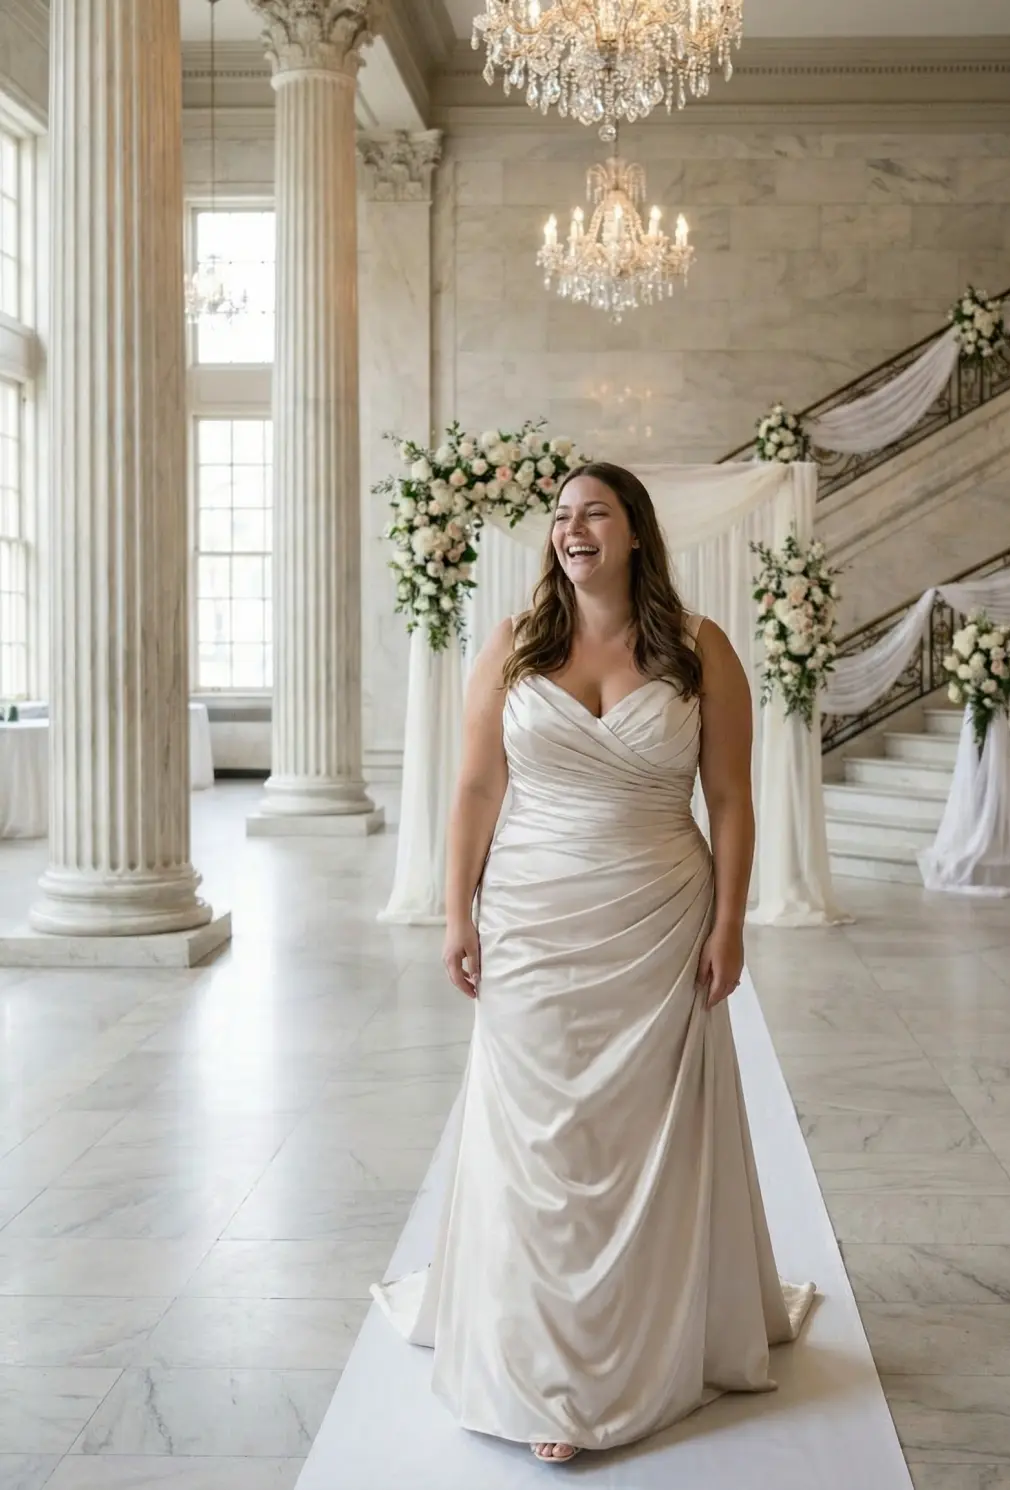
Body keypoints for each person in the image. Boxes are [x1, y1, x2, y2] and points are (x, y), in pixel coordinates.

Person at [372, 462, 814, 1464]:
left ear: (636, 532)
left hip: (661, 916)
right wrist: (457, 909)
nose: (573, 529)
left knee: (641, 1139)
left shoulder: (703, 649)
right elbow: (477, 788)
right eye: (562, 516)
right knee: (543, 1140)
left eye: (595, 513)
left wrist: (732, 920)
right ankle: (540, 1368)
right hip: (531, 917)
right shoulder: (515, 646)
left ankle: (637, 1354)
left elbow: (734, 799)